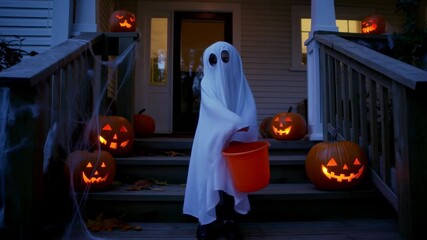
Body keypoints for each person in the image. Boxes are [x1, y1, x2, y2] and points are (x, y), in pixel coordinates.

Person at [183, 41, 258, 240]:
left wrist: (242, 128)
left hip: (235, 140)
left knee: (232, 178)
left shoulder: (240, 82)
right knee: (208, 175)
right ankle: (205, 220)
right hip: (210, 137)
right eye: (213, 60)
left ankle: (229, 220)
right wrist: (235, 122)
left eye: (225, 59)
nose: (220, 65)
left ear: (234, 60)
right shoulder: (207, 83)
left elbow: (248, 107)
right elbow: (213, 108)